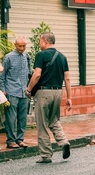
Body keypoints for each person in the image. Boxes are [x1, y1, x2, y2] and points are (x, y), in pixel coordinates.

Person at [25, 32, 71, 163]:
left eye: (40, 41)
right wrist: (69, 98)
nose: (39, 44)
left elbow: (37, 75)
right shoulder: (62, 57)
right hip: (58, 92)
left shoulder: (41, 55)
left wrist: (28, 89)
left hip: (44, 92)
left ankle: (46, 155)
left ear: (45, 41)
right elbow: (67, 78)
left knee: (42, 124)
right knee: (54, 120)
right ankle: (63, 142)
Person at [0, 37, 30, 149]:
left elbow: (28, 73)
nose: (22, 48)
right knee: (11, 118)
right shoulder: (9, 57)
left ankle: (20, 139)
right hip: (11, 91)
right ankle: (10, 140)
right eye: (20, 46)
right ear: (15, 45)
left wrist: (29, 88)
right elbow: (2, 75)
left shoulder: (27, 56)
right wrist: (3, 90)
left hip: (24, 92)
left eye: (24, 46)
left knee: (22, 118)